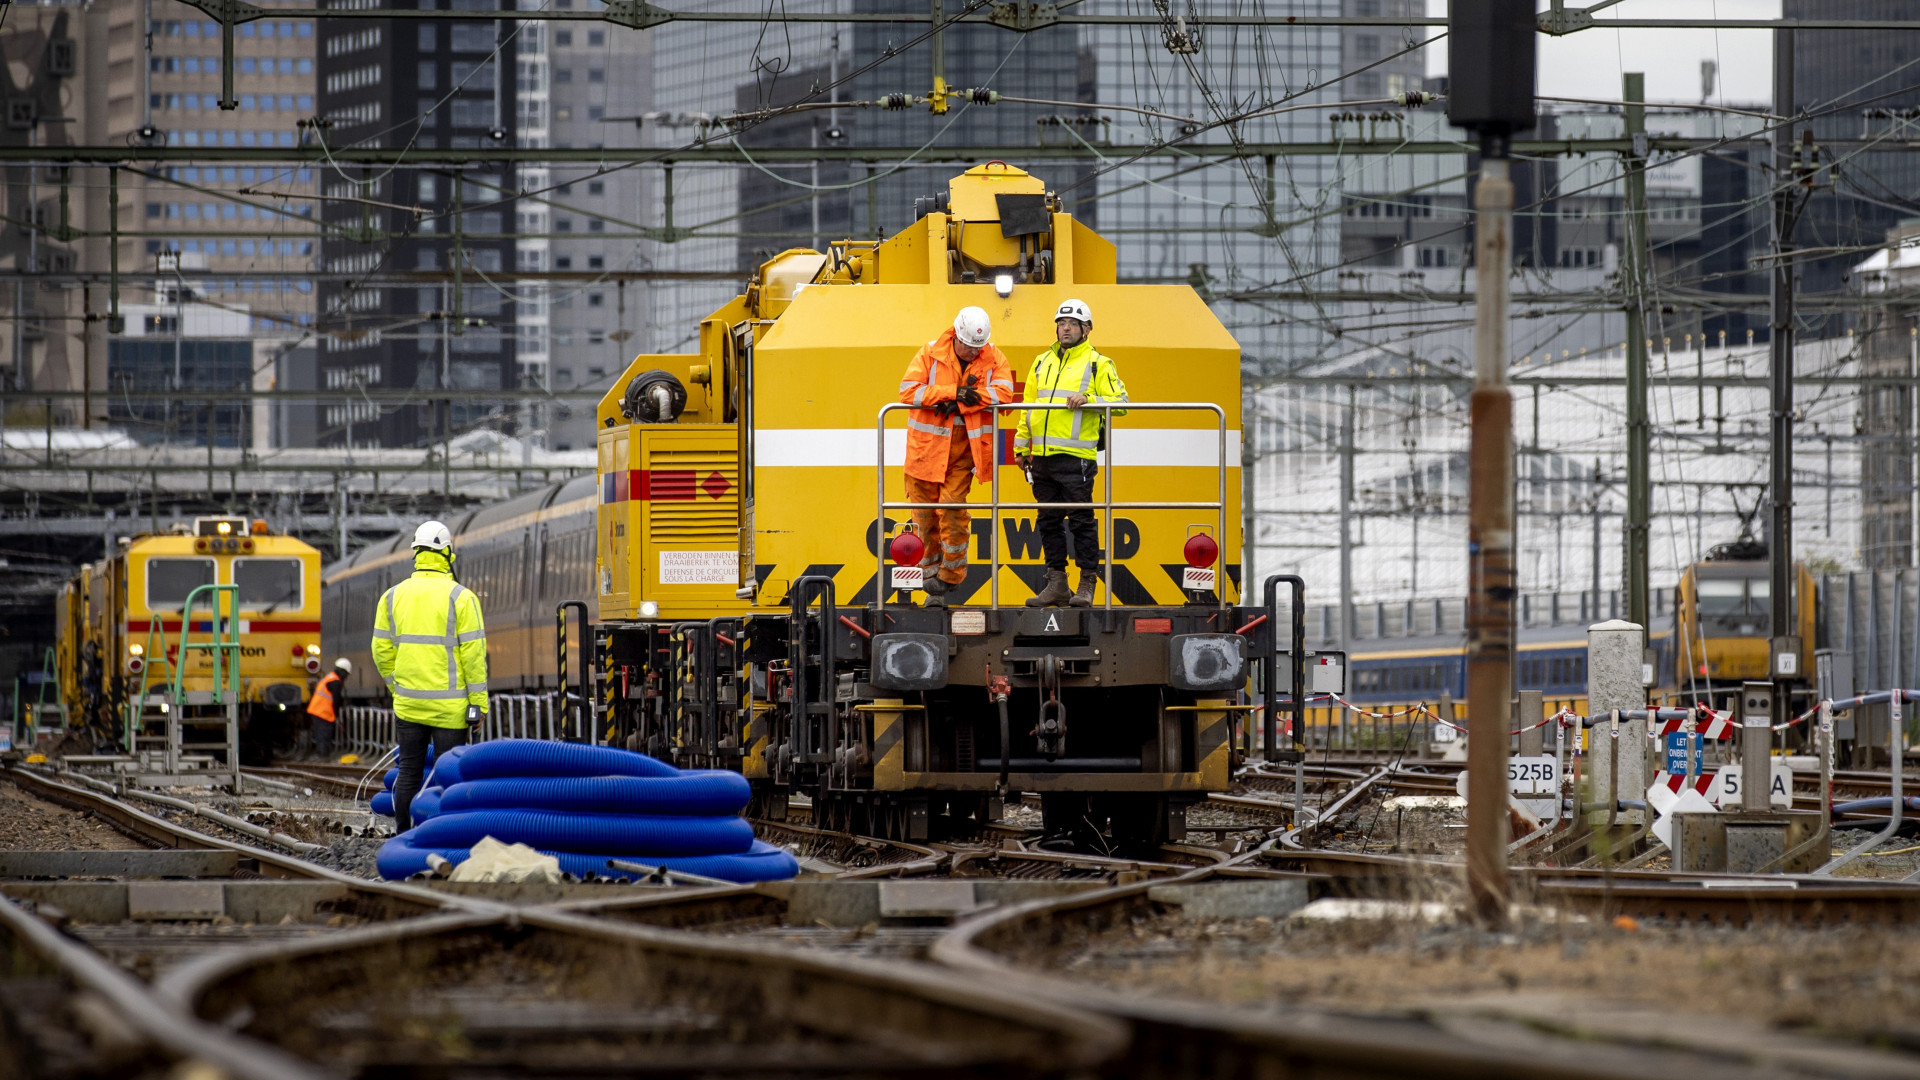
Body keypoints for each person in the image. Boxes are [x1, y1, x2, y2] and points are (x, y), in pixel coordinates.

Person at [371, 520, 488, 831]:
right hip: (450, 710)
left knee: (409, 770)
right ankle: (441, 833)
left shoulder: (392, 597)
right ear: (447, 553)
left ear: (415, 554)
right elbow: (473, 657)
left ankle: (404, 833)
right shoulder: (461, 598)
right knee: (448, 774)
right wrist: (478, 705)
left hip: (409, 705)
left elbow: (380, 651)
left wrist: (398, 687)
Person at [1014, 298, 1130, 608]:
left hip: (1076, 458)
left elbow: (1121, 403)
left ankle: (1087, 583)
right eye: (1061, 323)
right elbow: (1027, 409)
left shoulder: (1098, 363)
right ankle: (1056, 584)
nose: (1065, 328)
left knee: (1081, 520)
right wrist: (1021, 446)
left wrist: (1090, 398)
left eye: (1073, 324)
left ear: (1086, 330)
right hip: (1042, 457)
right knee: (1048, 521)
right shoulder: (1041, 362)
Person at [896, 305, 1015, 605]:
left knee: (951, 510)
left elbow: (1004, 393)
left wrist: (964, 403)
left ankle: (950, 577)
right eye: (969, 346)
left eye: (979, 347)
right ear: (956, 336)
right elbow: (908, 392)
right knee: (923, 517)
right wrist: (951, 393)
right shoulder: (930, 353)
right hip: (924, 453)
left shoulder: (993, 357)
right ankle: (928, 575)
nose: (974, 353)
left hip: (962, 455)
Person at [305, 657, 351, 761]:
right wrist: (336, 714)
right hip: (323, 712)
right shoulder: (335, 682)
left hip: (318, 710)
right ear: (343, 672)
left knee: (321, 734)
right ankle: (323, 756)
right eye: (347, 675)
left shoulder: (330, 677)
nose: (346, 677)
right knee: (324, 734)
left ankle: (323, 755)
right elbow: (336, 700)